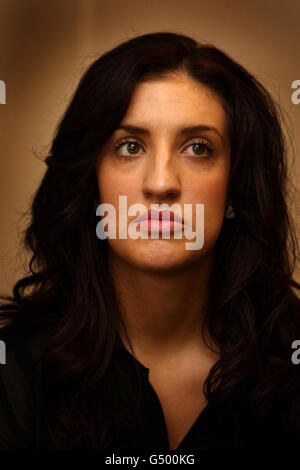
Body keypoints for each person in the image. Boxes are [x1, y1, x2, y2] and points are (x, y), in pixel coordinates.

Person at [0, 31, 299, 451]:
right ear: (92, 180)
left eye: (198, 147)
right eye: (129, 146)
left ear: (236, 185)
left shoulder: (291, 364)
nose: (161, 183)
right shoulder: (16, 373)